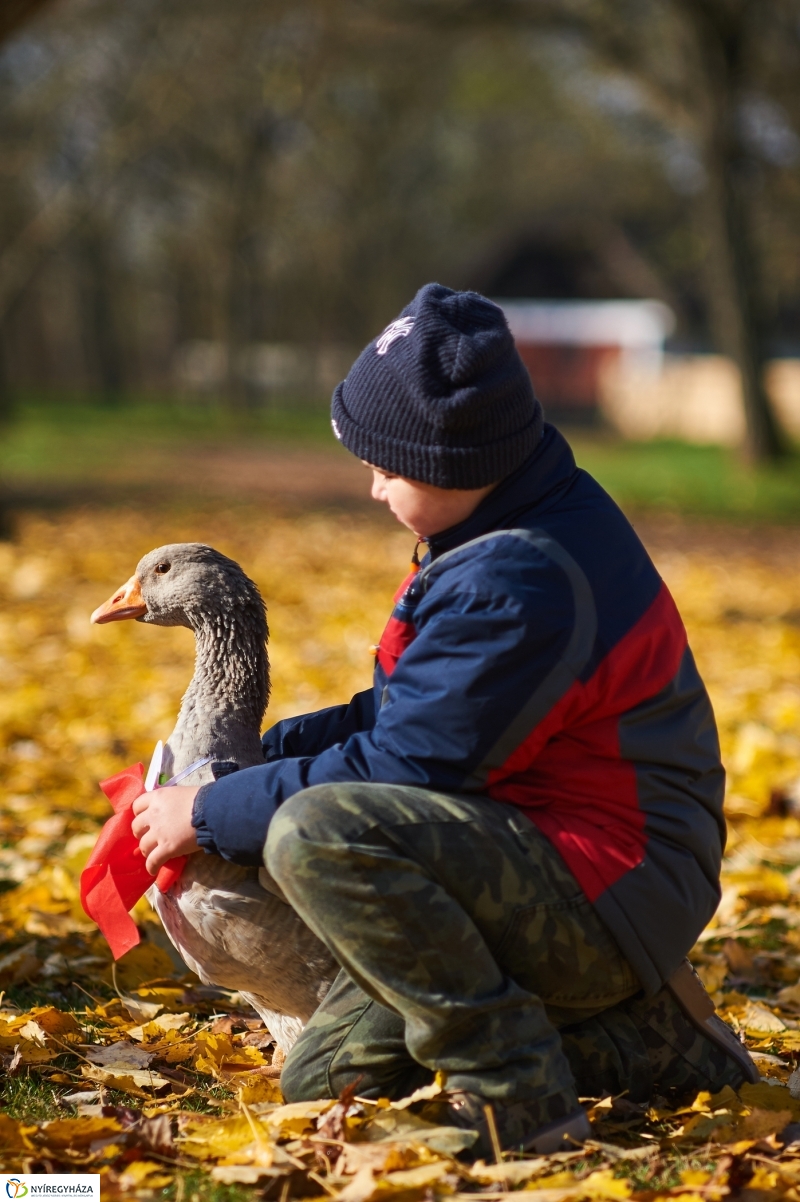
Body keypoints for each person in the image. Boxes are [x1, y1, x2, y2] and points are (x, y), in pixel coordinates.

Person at [131, 283, 756, 1157]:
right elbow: (410, 714)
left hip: (606, 878)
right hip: (540, 844)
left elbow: (411, 767)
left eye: (388, 467)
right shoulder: (502, 527)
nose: (373, 485)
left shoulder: (520, 579)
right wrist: (264, 756)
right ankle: (642, 1042)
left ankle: (519, 1099)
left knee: (316, 834)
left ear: (458, 464)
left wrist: (208, 812)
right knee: (327, 1077)